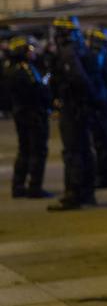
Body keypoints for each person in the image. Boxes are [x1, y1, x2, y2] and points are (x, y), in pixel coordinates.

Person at [48, 17, 98, 211]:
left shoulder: (68, 52)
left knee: (73, 152)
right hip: (81, 107)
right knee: (84, 150)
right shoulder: (80, 49)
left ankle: (74, 194)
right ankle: (86, 192)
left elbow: (78, 79)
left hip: (73, 108)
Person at [7, 36, 51, 199]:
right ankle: (35, 186)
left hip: (21, 113)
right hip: (33, 114)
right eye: (29, 50)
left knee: (24, 150)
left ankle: (18, 186)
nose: (32, 53)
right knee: (37, 151)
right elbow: (38, 91)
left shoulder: (12, 68)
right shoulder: (26, 70)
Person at [86, 28, 107, 188]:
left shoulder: (97, 56)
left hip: (101, 103)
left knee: (101, 142)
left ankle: (104, 176)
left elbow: (95, 80)